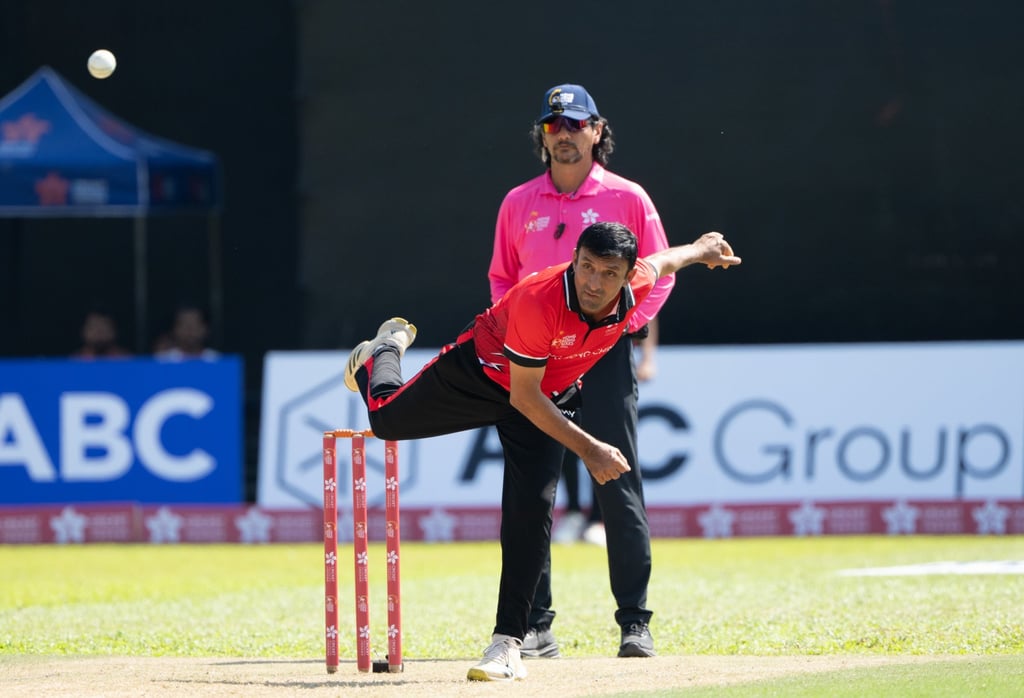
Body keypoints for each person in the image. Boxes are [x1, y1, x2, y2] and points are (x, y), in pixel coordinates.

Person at [344, 222, 740, 681]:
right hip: (484, 371)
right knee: (386, 421)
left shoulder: (638, 280)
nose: (593, 282)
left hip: (547, 392)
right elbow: (523, 397)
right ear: (574, 258)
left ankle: (507, 642)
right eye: (586, 266)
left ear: (628, 275)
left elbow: (666, 260)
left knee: (531, 511)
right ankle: (383, 353)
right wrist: (590, 449)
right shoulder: (540, 299)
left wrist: (701, 248)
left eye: (608, 273)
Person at [488, 83, 673, 658]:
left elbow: (659, 273)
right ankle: (536, 625)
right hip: (538, 356)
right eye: (553, 126)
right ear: (542, 136)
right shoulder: (519, 202)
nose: (564, 136)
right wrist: (511, 340)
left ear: (597, 131)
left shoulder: (627, 197)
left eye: (576, 126)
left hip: (604, 353)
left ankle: (634, 622)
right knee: (531, 491)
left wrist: (622, 326)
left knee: (617, 479)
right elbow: (501, 279)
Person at [155, 304, 219, 360]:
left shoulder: (216, 360)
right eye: (184, 325)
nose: (190, 330)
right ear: (174, 329)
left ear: (206, 329)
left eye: (195, 325)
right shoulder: (164, 360)